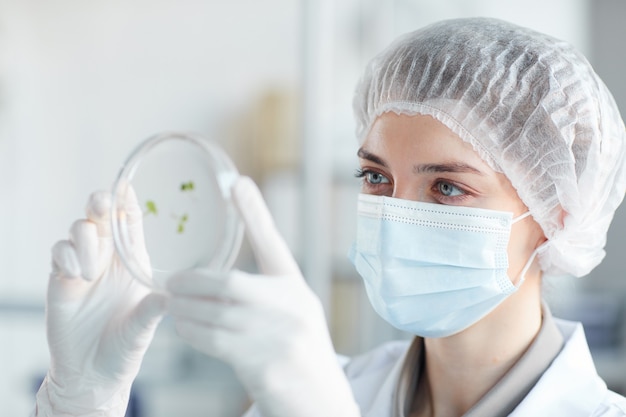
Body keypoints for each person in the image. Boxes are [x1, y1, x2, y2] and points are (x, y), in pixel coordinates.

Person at [32, 17, 626, 417]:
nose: (396, 216)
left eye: (446, 187)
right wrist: (81, 399)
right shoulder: (314, 390)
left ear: (554, 216)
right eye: (376, 177)